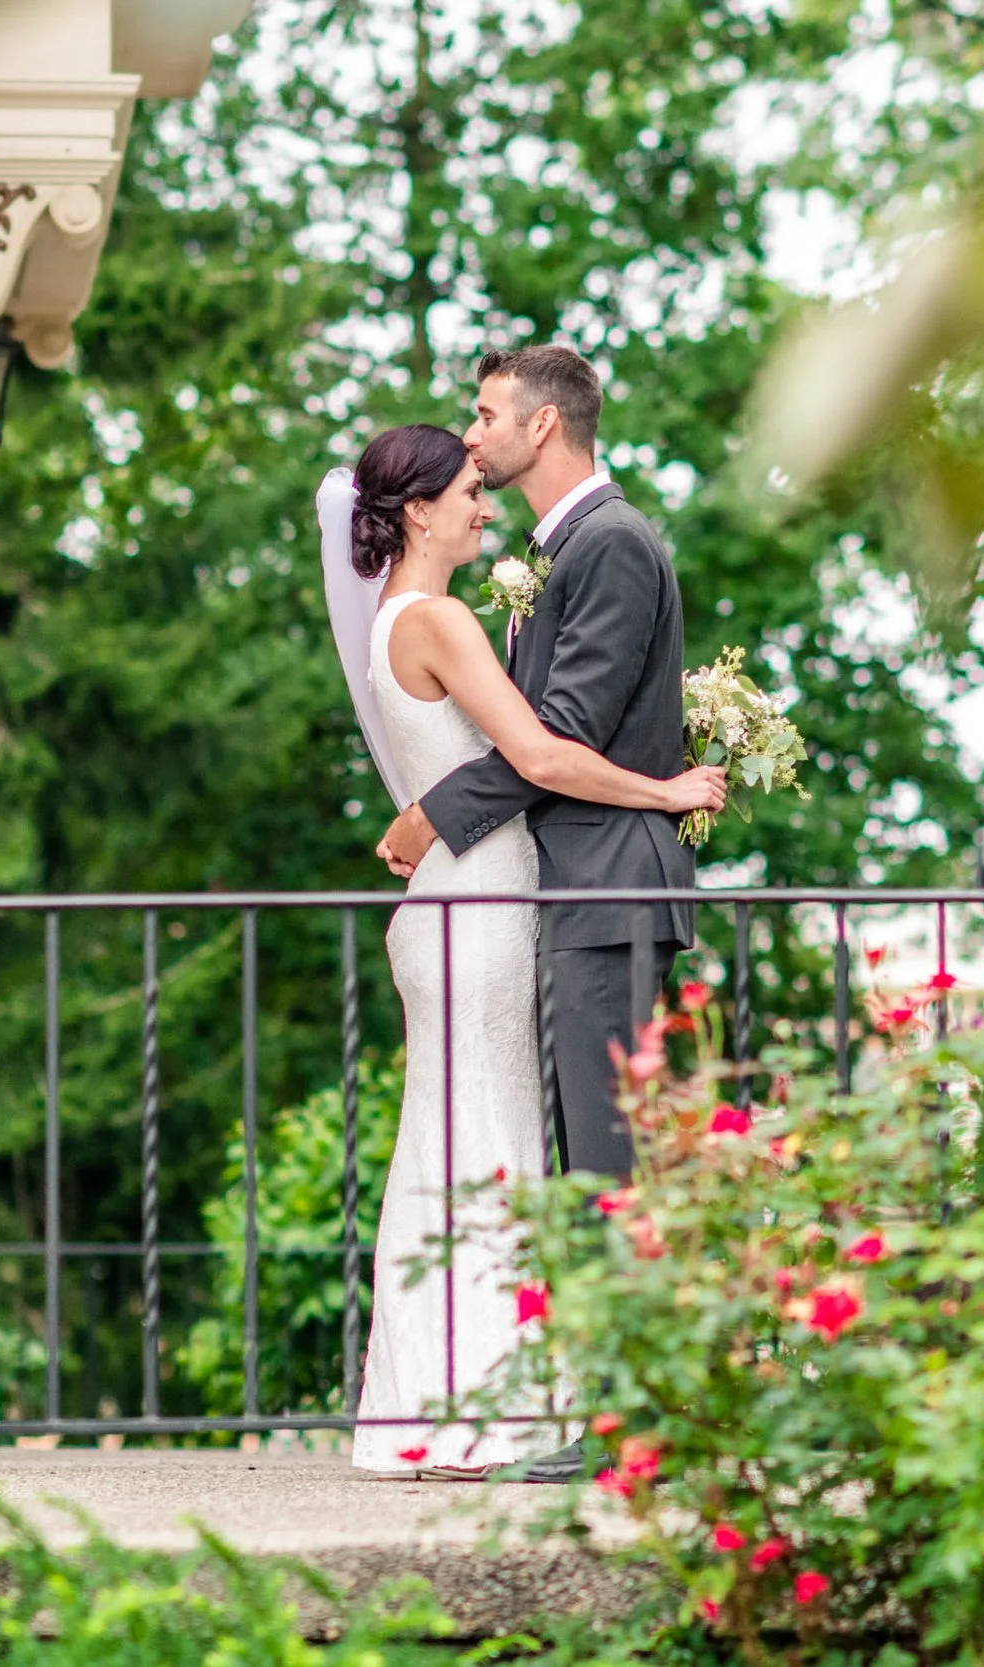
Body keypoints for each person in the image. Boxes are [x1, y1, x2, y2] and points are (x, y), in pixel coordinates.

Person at [331, 423, 723, 1481]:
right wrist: (666, 786)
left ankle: (441, 1403)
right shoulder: (444, 619)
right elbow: (543, 751)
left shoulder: (391, 617)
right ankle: (486, 1411)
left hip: (452, 899)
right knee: (493, 1138)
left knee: (457, 1135)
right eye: (466, 491)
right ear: (416, 510)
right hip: (483, 899)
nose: (484, 504)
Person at [375, 346, 697, 1184]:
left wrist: (434, 814)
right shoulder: (561, 548)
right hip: (570, 888)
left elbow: (563, 734)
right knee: (579, 1162)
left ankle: (617, 1319)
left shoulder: (611, 543)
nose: (472, 439)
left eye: (485, 415)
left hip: (606, 884)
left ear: (543, 421)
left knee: (605, 1168)